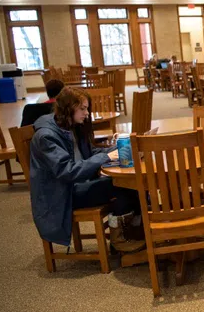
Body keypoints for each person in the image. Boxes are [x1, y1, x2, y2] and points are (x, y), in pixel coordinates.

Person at [30, 87, 145, 253]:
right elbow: (67, 171)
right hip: (61, 195)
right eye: (82, 108)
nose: (86, 113)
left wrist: (116, 150)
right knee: (120, 186)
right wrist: (105, 157)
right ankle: (120, 239)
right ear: (67, 109)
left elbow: (90, 153)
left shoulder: (71, 126)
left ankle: (134, 231)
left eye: (87, 108)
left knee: (128, 183)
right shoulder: (46, 137)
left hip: (77, 185)